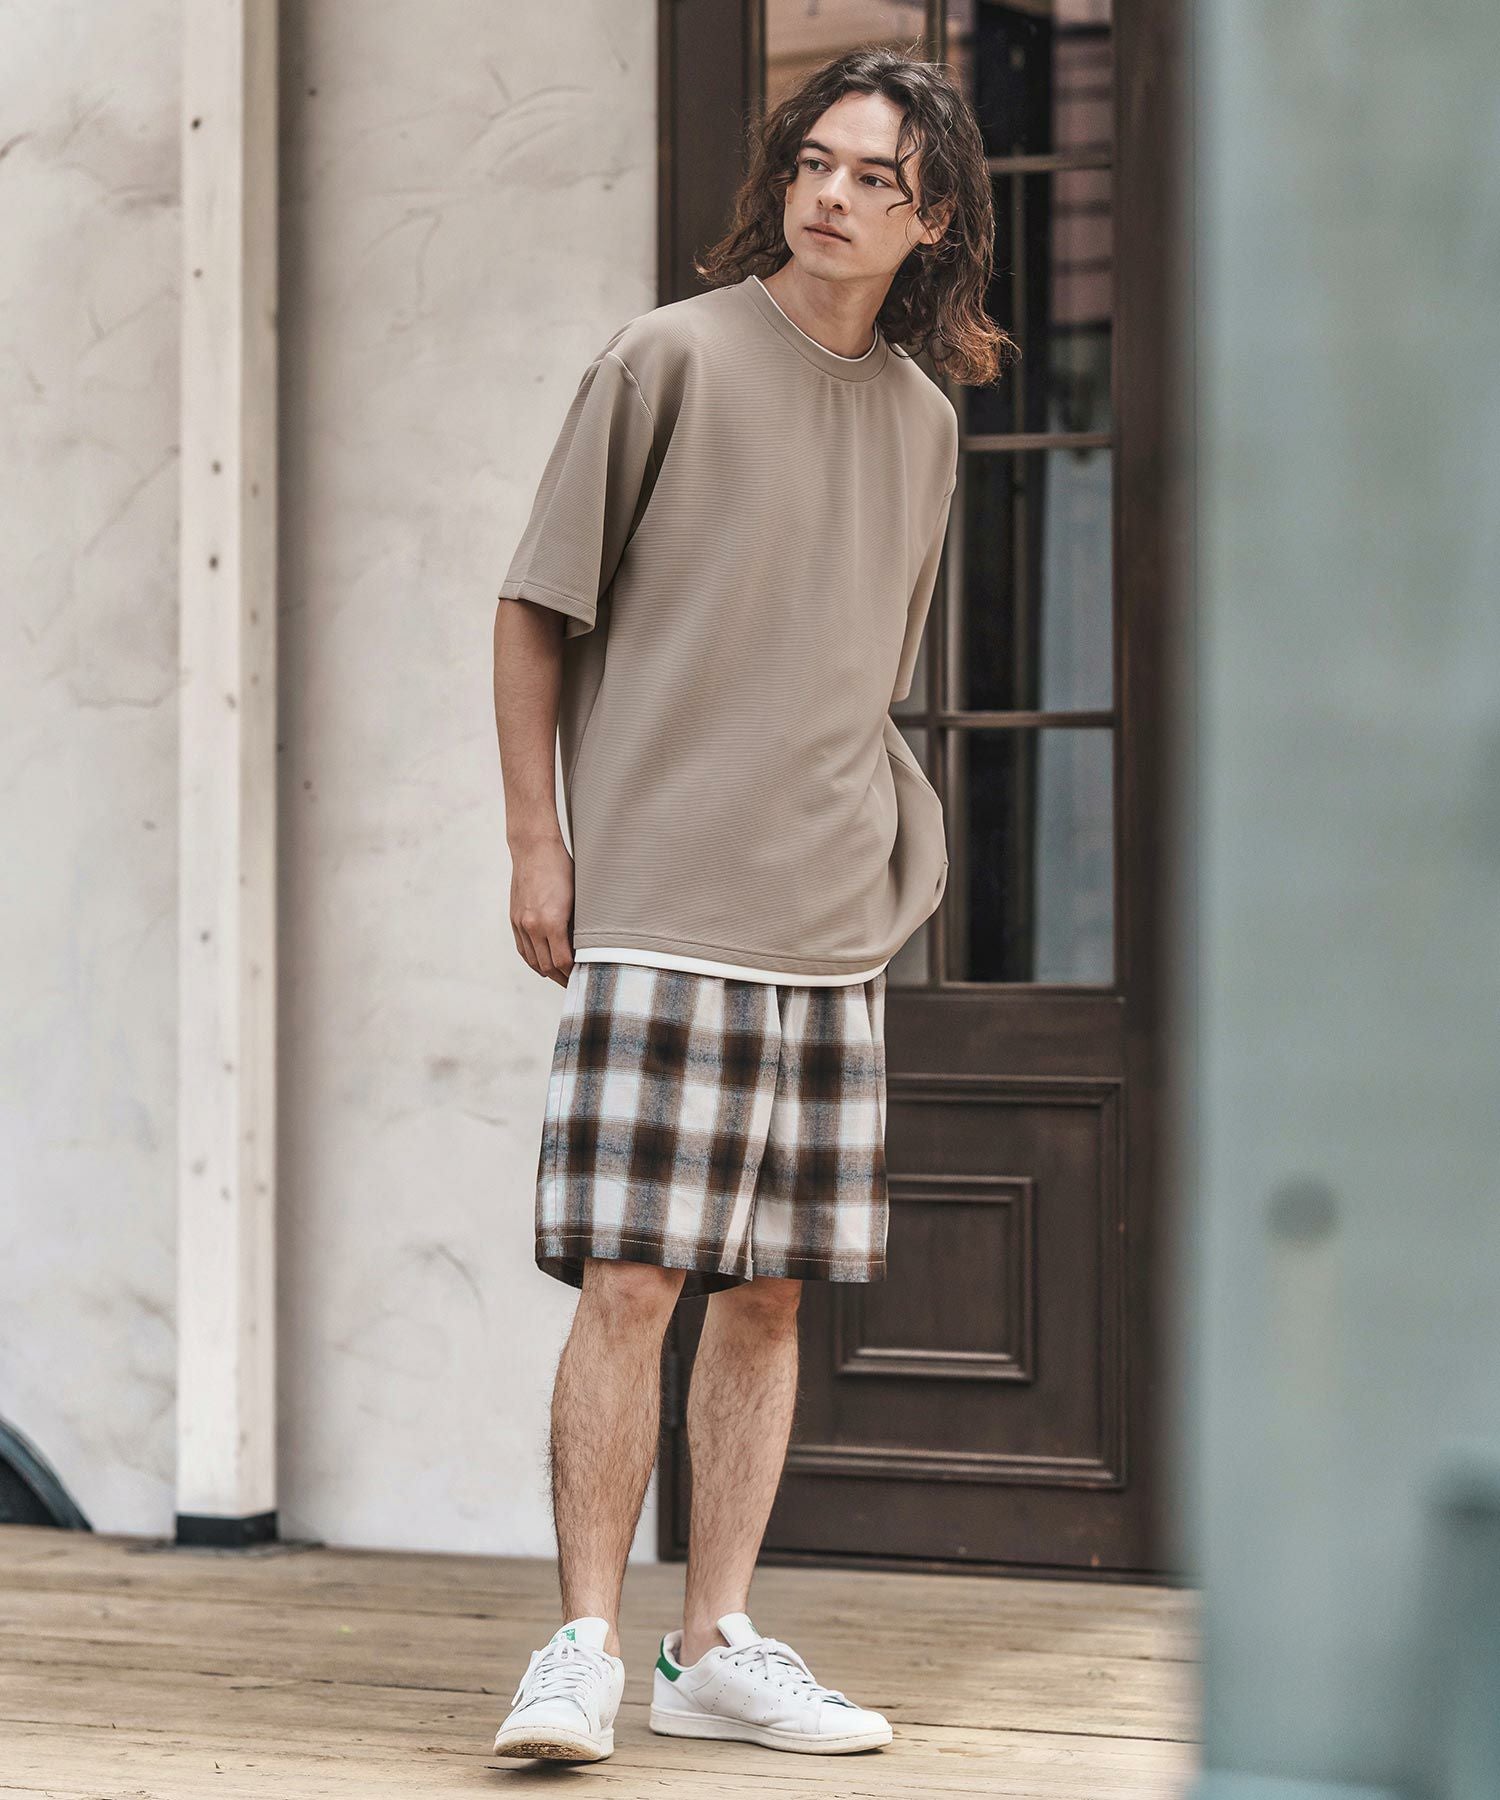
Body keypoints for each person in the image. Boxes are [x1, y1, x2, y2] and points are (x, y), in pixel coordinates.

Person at [489, 44, 1011, 1764]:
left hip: (827, 927)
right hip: (658, 906)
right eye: (817, 161)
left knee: (773, 1293)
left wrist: (896, 853)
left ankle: (710, 1643)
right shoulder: (667, 357)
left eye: (878, 179)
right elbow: (534, 607)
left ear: (936, 223)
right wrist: (539, 841)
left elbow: (870, 672)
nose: (834, 195)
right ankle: (581, 1644)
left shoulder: (926, 423)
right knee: (633, 1280)